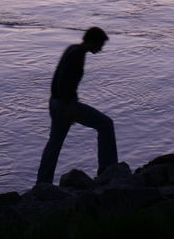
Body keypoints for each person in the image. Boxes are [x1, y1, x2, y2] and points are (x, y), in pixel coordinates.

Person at [36, 26, 118, 185]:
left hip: (55, 102)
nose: (101, 49)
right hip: (65, 104)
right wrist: (68, 108)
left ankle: (43, 183)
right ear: (92, 41)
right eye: (100, 44)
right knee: (105, 124)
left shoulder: (73, 49)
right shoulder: (77, 54)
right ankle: (108, 170)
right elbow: (63, 82)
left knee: (54, 143)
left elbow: (58, 79)